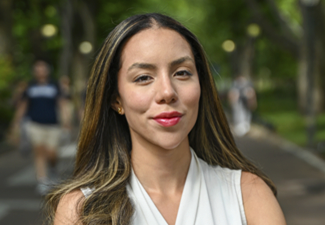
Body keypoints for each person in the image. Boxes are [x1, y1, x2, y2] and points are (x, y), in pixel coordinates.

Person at [46, 13, 286, 225]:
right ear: (115, 99)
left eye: (182, 73)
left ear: (201, 85)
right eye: (143, 78)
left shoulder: (248, 195)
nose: (167, 92)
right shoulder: (81, 210)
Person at [11, 60, 68, 195]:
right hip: (35, 124)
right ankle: (42, 180)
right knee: (39, 151)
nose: (40, 71)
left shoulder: (55, 85)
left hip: (53, 125)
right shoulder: (30, 87)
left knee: (52, 153)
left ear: (47, 70)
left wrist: (66, 120)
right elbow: (23, 106)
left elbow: (62, 104)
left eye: (43, 68)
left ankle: (53, 169)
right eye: (38, 69)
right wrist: (15, 123)